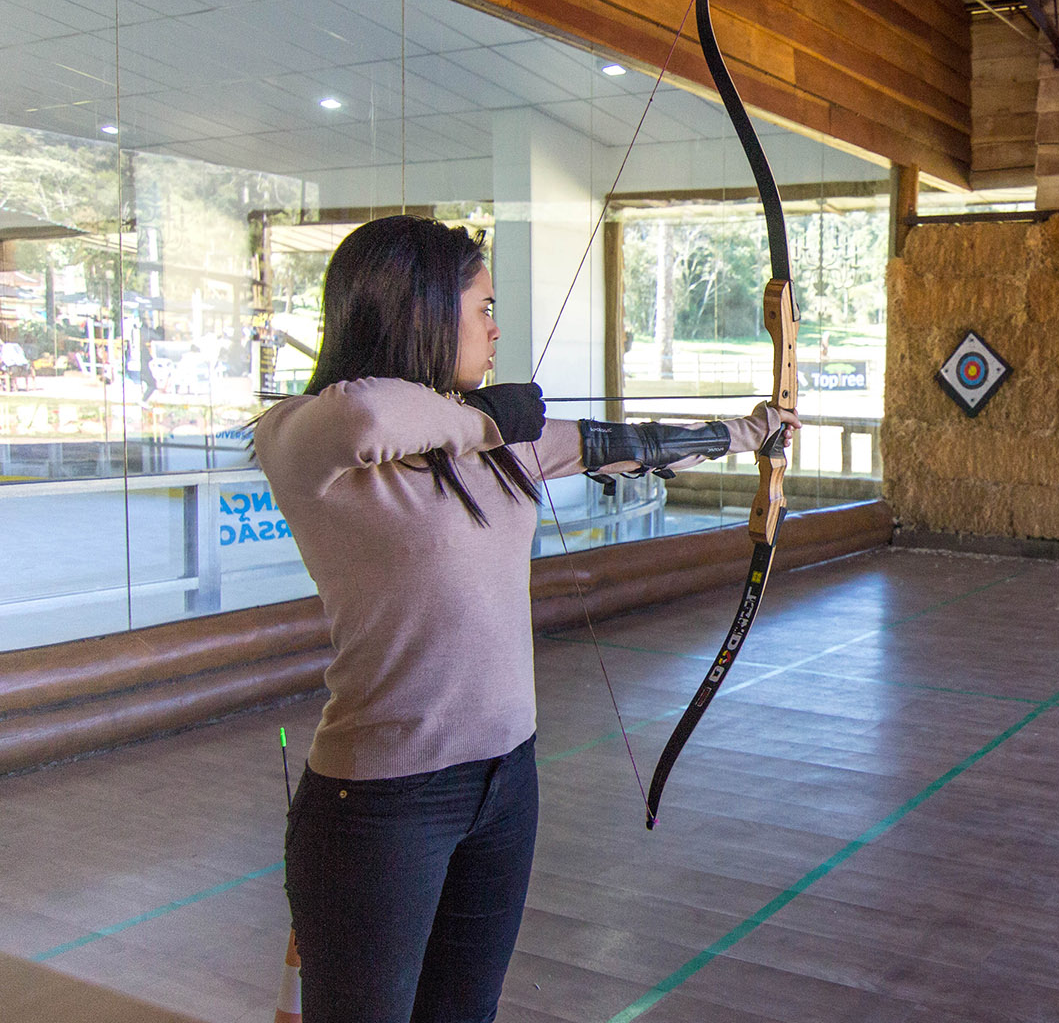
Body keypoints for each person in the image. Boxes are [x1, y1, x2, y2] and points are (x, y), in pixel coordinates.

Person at [251, 215, 796, 1023]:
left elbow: (620, 442)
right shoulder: (302, 437)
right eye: (481, 307)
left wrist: (752, 432)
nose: (497, 327)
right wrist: (489, 420)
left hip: (507, 782)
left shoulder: (492, 444)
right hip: (382, 803)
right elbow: (369, 420)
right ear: (421, 312)